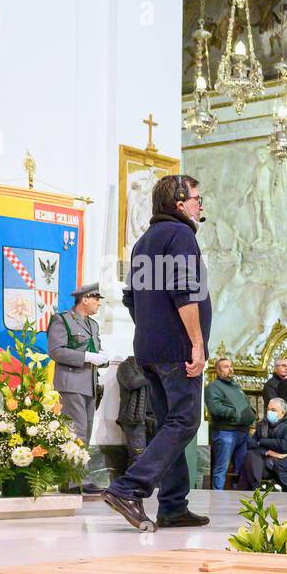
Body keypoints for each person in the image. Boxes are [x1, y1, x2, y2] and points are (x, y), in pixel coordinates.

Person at [103, 174, 211, 532]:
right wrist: (196, 342)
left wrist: (152, 327)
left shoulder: (142, 242)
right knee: (184, 421)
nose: (200, 204)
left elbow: (131, 297)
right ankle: (129, 487)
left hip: (148, 348)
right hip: (178, 349)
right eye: (196, 198)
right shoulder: (181, 236)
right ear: (180, 203)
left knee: (170, 423)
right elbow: (185, 291)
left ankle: (173, 505)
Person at [46, 284, 108, 492]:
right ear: (85, 299)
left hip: (89, 383)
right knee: (77, 431)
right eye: (96, 299)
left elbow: (96, 349)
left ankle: (76, 477)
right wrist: (87, 357)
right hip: (71, 382)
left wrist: (102, 358)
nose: (99, 303)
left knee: (86, 431)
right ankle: (75, 481)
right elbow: (56, 351)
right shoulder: (62, 320)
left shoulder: (93, 325)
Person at [205, 357, 255, 490]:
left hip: (242, 432)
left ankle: (237, 497)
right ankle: (217, 497)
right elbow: (215, 408)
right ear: (218, 370)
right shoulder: (213, 387)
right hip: (225, 432)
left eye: (231, 366)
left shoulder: (236, 386)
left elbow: (245, 404)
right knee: (222, 468)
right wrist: (235, 414)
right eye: (226, 366)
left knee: (241, 468)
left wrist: (250, 413)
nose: (230, 369)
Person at [236, 397, 287, 491]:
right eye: (268, 409)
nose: (269, 412)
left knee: (249, 463)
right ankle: (256, 488)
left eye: (273, 410)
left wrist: (261, 441)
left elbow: (285, 445)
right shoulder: (262, 424)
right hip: (264, 463)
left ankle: (254, 489)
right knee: (250, 455)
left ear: (283, 413)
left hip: (283, 464)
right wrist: (268, 452)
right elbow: (250, 443)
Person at [115, 355, 153, 467]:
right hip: (134, 420)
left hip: (154, 418)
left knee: (155, 458)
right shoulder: (126, 366)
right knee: (138, 458)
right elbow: (132, 383)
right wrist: (151, 372)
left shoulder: (154, 368)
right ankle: (134, 485)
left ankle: (153, 485)